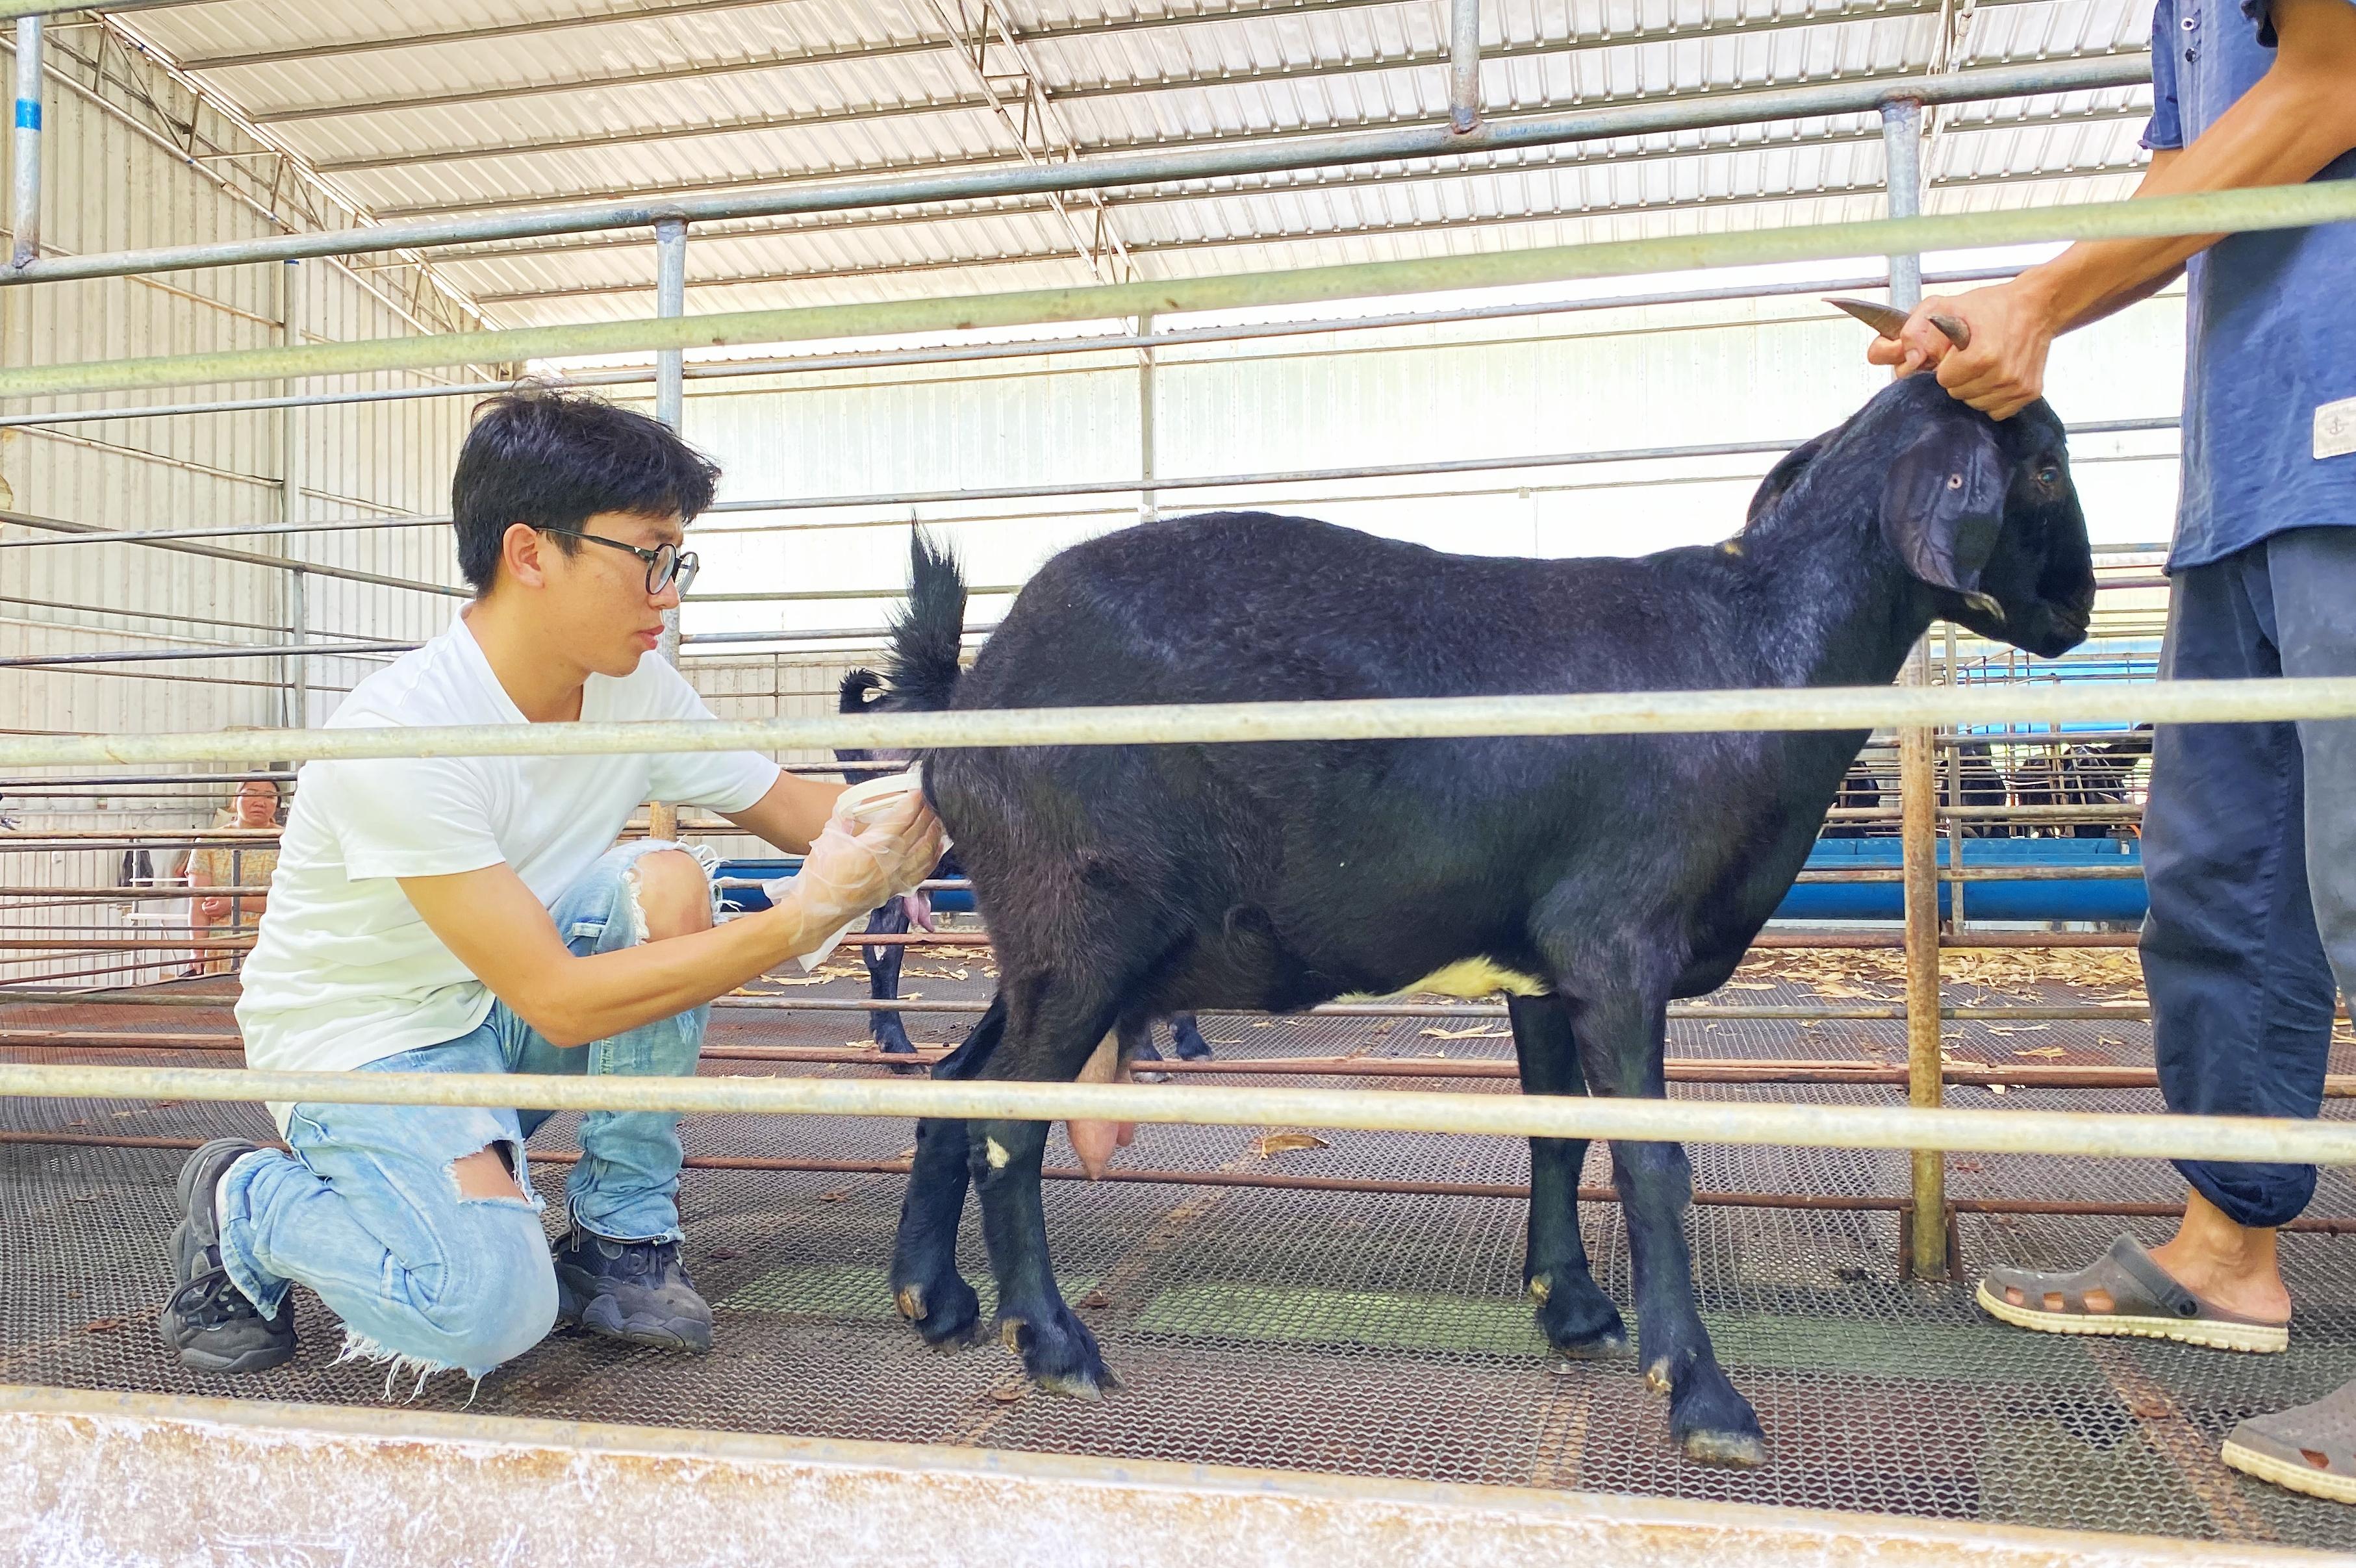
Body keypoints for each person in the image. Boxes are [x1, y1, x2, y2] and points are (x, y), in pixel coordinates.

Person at [157, 388, 947, 1387]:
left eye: (677, 560)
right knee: (486, 1309)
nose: (668, 594)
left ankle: (621, 1234)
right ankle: (247, 1199)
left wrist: (973, 793)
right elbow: (561, 1001)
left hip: (492, 1015)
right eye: (649, 556)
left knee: (662, 879)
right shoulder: (404, 736)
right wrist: (802, 917)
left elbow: (805, 812)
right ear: (530, 553)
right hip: (377, 1054)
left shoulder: (632, 688)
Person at [1863, 0, 2356, 1503]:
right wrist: (2019, 314)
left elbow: (2332, 83)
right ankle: (2224, 1248)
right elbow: (2183, 180)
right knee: (2220, 880)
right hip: (2246, 466)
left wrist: (2042, 297)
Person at [186, 778, 283, 976]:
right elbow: (198, 903)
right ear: (235, 799)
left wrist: (234, 902)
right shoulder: (209, 842)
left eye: (269, 796)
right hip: (223, 946)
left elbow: (294, 900)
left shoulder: (289, 841)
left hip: (276, 942)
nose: (260, 802)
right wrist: (197, 952)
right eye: (251, 794)